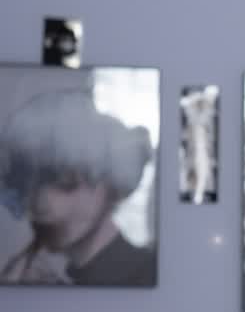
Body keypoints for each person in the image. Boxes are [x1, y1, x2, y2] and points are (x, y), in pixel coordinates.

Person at [0, 86, 155, 285]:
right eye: (27, 182)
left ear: (111, 183)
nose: (39, 202)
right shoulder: (43, 275)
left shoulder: (145, 274)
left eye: (64, 181)